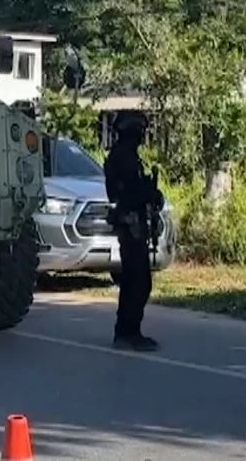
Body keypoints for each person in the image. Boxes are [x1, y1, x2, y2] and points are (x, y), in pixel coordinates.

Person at [104, 111, 164, 352]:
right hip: (131, 225)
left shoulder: (126, 156)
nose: (141, 136)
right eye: (139, 131)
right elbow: (127, 193)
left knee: (134, 279)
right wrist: (149, 193)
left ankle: (126, 331)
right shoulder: (123, 158)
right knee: (138, 280)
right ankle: (129, 332)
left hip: (134, 224)